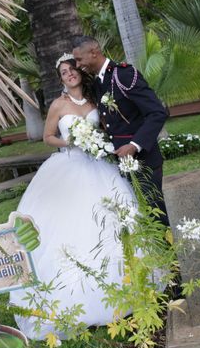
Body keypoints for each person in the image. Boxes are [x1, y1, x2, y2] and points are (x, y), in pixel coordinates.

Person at [9, 53, 136, 340]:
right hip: (69, 164)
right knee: (70, 225)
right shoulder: (58, 104)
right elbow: (48, 137)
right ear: (60, 79)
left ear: (80, 73)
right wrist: (71, 141)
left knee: (110, 219)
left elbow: (106, 128)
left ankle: (118, 286)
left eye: (72, 70)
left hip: (99, 166)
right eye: (64, 72)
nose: (69, 75)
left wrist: (99, 141)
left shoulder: (94, 101)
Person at [72, 35, 169, 226]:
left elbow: (157, 112)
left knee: (155, 215)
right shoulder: (98, 82)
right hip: (120, 163)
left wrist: (134, 145)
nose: (77, 64)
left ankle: (170, 255)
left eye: (79, 59)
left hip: (144, 161)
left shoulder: (123, 75)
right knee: (139, 217)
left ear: (94, 52)